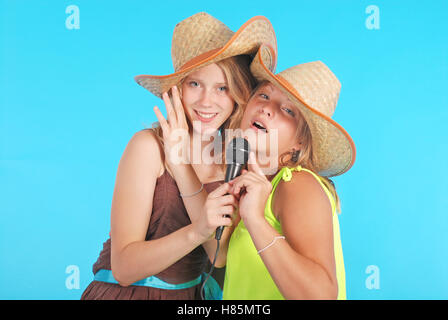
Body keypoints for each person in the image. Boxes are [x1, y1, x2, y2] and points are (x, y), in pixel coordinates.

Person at [80, 13, 277, 300]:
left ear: (238, 94)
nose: (206, 101)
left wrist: (182, 166)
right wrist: (198, 230)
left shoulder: (235, 160)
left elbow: (218, 254)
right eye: (195, 84)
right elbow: (123, 268)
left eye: (222, 88)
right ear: (177, 90)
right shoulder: (148, 147)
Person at [221, 45, 357, 299]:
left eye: (288, 110)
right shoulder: (253, 185)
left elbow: (321, 296)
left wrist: (255, 220)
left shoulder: (296, 183)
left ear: (300, 143)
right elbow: (218, 259)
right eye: (263, 95)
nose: (267, 108)